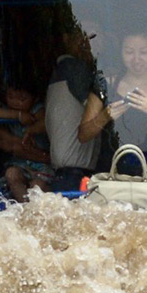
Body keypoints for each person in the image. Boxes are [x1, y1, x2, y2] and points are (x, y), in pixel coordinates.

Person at [78, 30, 147, 166]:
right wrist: (104, 116)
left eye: (143, 52)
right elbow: (83, 135)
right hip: (110, 173)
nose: (136, 59)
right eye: (129, 52)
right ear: (120, 50)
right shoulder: (104, 85)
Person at [44, 26, 104, 192]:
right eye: (82, 36)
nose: (87, 43)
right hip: (75, 173)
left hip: (67, 170)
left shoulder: (62, 68)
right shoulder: (75, 68)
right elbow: (102, 109)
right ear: (66, 38)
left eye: (93, 37)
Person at [0, 81, 54, 201]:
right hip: (19, 162)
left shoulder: (37, 109)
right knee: (11, 174)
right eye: (10, 97)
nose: (15, 102)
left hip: (42, 165)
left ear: (34, 99)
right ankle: (24, 208)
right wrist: (19, 115)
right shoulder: (8, 111)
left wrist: (30, 130)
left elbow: (44, 123)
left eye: (22, 99)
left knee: (37, 187)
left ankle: (36, 212)